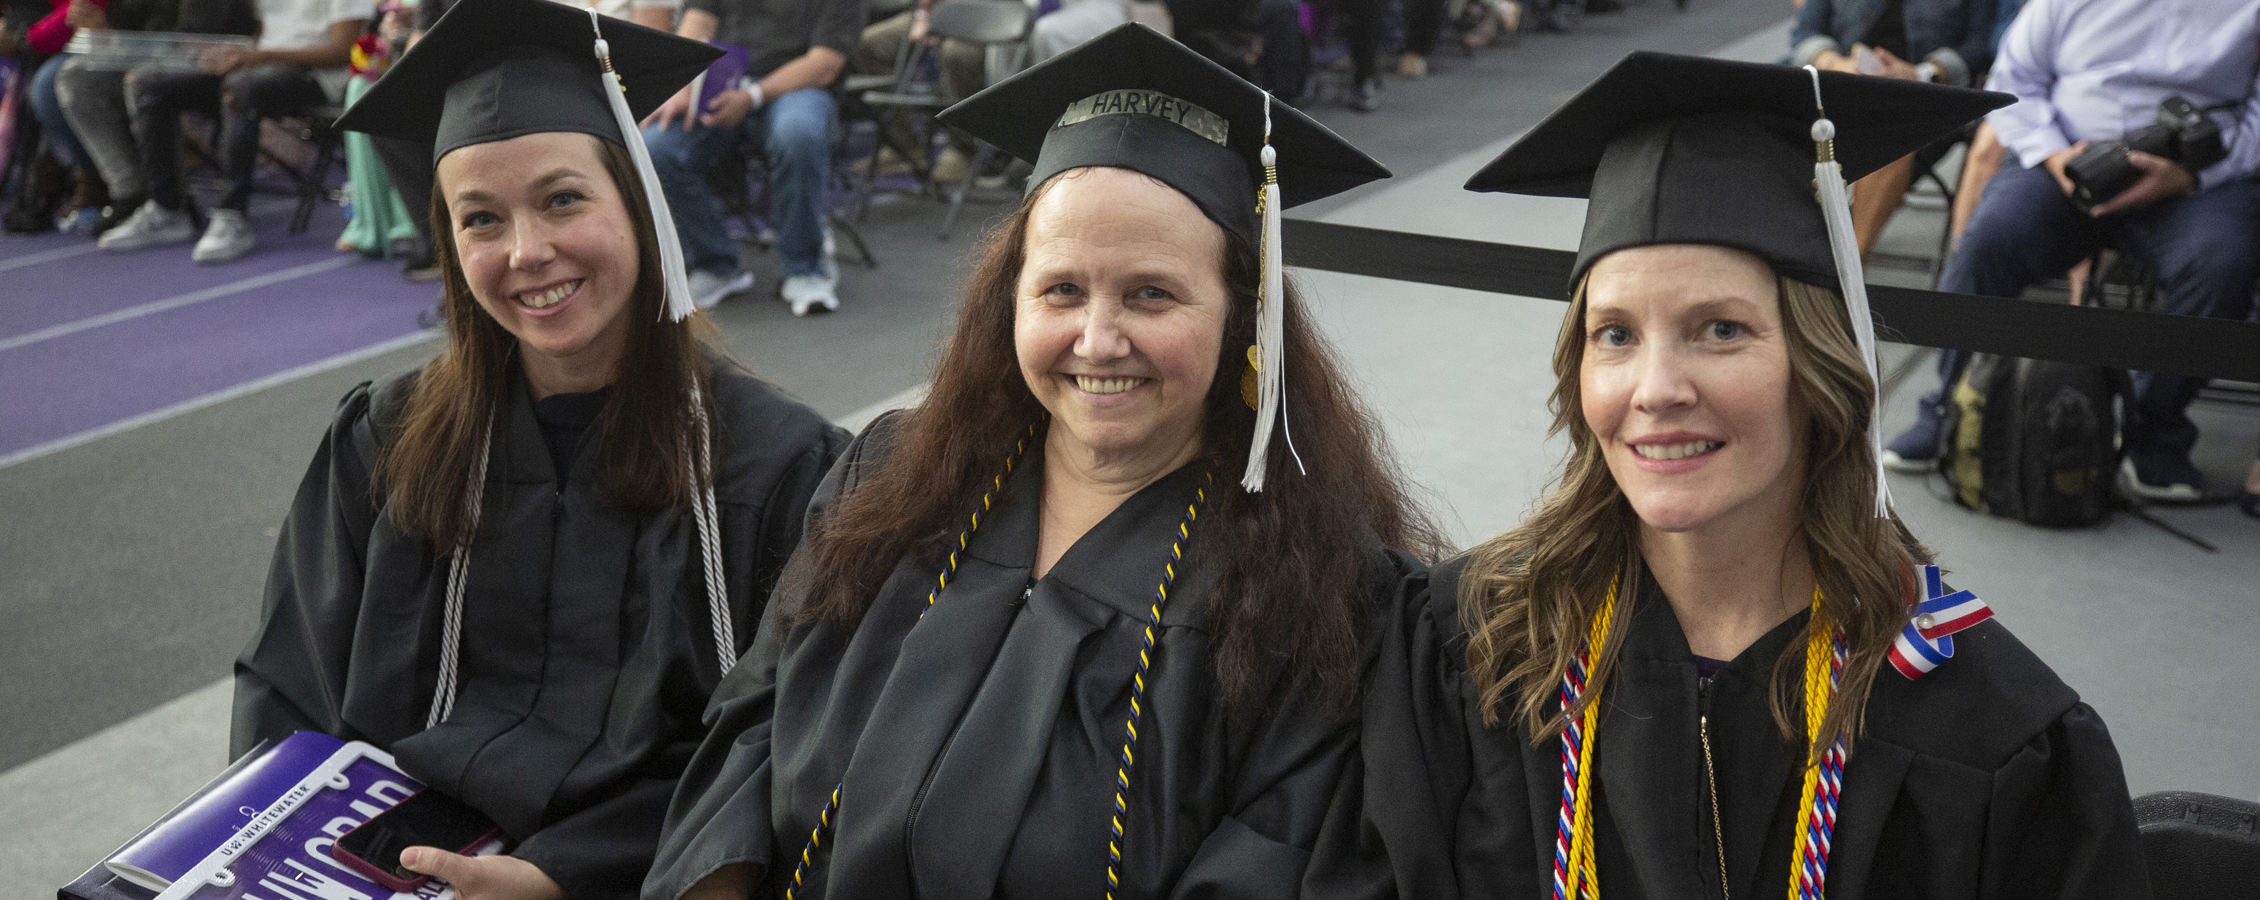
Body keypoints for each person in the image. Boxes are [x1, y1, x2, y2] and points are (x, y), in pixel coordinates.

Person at [643, 23, 1443, 899]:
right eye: (1061, 289)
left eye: (1152, 293)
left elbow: (1280, 868)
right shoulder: (892, 480)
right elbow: (754, 718)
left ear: (1244, 320)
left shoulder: (1320, 593)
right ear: (1009, 301)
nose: (1098, 340)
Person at [1357, 53, 2150, 900]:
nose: (1657, 389)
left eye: (1722, 329)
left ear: (1820, 367)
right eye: (1615, 334)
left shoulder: (1988, 727)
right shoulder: (1468, 646)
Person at [237, 2, 849, 898]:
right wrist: (259, 857)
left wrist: (565, 877)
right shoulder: (385, 438)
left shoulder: (779, 466)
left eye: (563, 198)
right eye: (480, 219)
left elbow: (792, 743)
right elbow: (284, 688)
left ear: (638, 204)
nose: (527, 251)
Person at [1882, 0, 2260, 502]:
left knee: (2223, 266)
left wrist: (2194, 175)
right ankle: (1950, 407)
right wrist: (2055, 154)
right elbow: (2014, 78)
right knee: (1988, 240)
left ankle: (2153, 427)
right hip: (2064, 161)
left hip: (2191, 180)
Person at [90, 0, 365, 262]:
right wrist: (226, 53)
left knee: (240, 88)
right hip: (261, 64)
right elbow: (261, 36)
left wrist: (260, 56)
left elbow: (343, 50)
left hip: (317, 77)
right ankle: (168, 209)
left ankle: (231, 215)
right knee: (150, 84)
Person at [640, 0, 863, 315]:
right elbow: (698, 21)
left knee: (797, 133)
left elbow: (824, 64)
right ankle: (715, 264)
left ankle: (805, 268)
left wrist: (752, 96)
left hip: (797, 87)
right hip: (721, 83)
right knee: (655, 148)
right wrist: (683, 84)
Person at [1792, 0, 1997, 257]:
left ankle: (1845, 272)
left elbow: (1983, 44)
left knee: (1889, 145)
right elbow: (1805, 33)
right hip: (1839, 89)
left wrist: (1922, 73)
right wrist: (1834, 62)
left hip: (1921, 101)